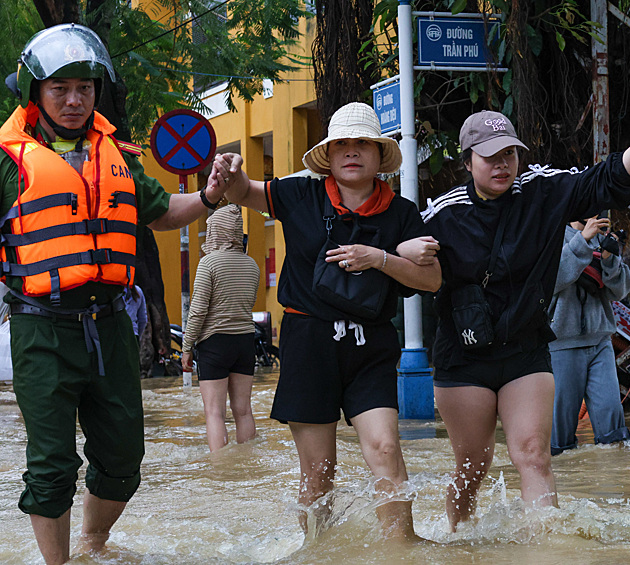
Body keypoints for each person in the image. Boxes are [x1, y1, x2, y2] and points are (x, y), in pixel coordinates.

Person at [1, 24, 232, 564]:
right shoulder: (8, 161)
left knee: (126, 456)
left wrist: (210, 196)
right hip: (41, 326)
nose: (75, 100)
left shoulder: (118, 156)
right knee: (52, 463)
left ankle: (93, 543)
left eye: (84, 88)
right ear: (34, 93)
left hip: (110, 324)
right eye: (61, 89)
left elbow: (162, 214)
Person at [398, 108, 630, 531]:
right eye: (490, 156)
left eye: (510, 154)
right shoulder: (443, 214)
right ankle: (458, 543)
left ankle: (546, 548)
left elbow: (605, 179)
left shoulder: (542, 191)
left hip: (526, 350)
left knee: (534, 453)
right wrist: (402, 253)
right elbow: (401, 272)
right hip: (464, 358)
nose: (502, 164)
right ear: (468, 159)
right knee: (473, 468)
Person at [210, 102, 442, 540]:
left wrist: (381, 258)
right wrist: (232, 170)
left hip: (370, 345)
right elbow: (244, 192)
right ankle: (318, 549)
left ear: (378, 155)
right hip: (307, 342)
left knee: (386, 447)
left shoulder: (402, 213)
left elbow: (431, 280)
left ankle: (402, 547)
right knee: (318, 471)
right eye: (342, 145)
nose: (352, 152)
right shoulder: (300, 194)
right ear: (329, 155)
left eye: (362, 144)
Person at [548, 215, 630, 454]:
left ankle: (611, 485)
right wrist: (582, 240)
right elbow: (550, 280)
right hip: (561, 344)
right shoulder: (550, 235)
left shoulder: (603, 239)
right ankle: (563, 486)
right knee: (558, 440)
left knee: (613, 435)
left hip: (601, 342)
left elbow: (621, 290)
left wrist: (609, 259)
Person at [181, 204, 260, 452]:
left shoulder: (209, 264)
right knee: (244, 411)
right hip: (246, 342)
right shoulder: (252, 265)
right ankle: (247, 464)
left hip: (214, 342)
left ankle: (220, 469)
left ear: (214, 230)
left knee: (214, 413)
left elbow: (198, 310)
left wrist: (186, 346)